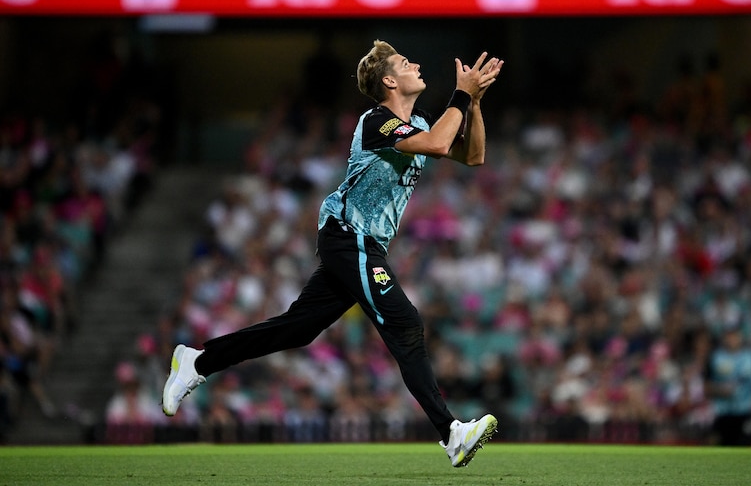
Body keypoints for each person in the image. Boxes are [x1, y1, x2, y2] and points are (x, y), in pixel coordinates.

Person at [162, 39, 504, 467]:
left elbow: (473, 156)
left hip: (364, 242)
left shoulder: (417, 121)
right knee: (405, 321)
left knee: (298, 329)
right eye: (404, 62)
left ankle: (197, 361)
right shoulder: (377, 121)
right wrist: (461, 93)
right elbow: (438, 145)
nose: (415, 64)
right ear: (389, 80)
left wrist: (473, 103)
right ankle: (451, 432)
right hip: (349, 236)